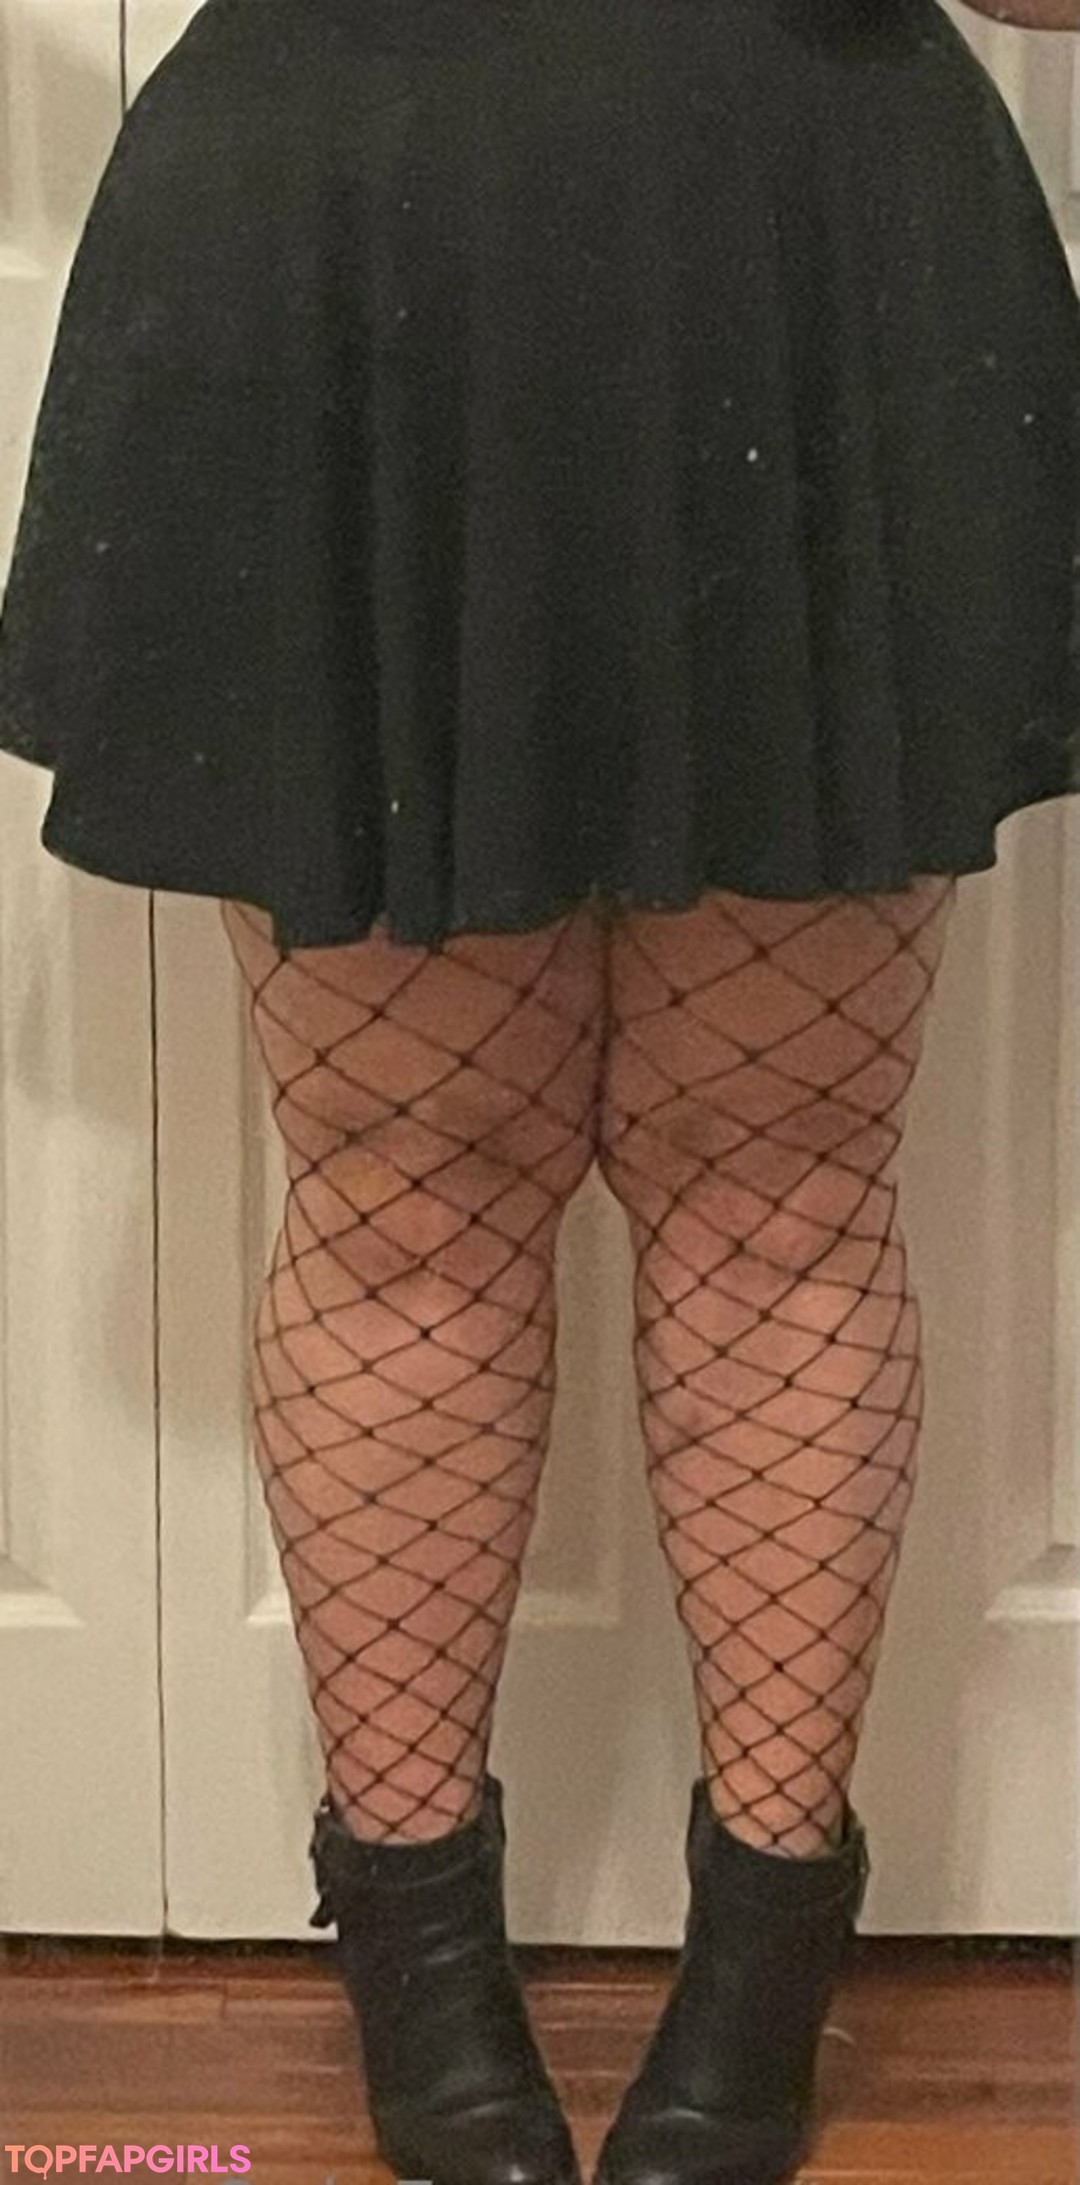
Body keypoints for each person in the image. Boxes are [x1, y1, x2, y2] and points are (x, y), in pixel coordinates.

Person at [0, 3, 1077, 2182]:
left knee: (785, 1182)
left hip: (804, 212)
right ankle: (418, 1951)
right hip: (344, 205)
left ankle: (767, 1950)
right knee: (402, 1185)